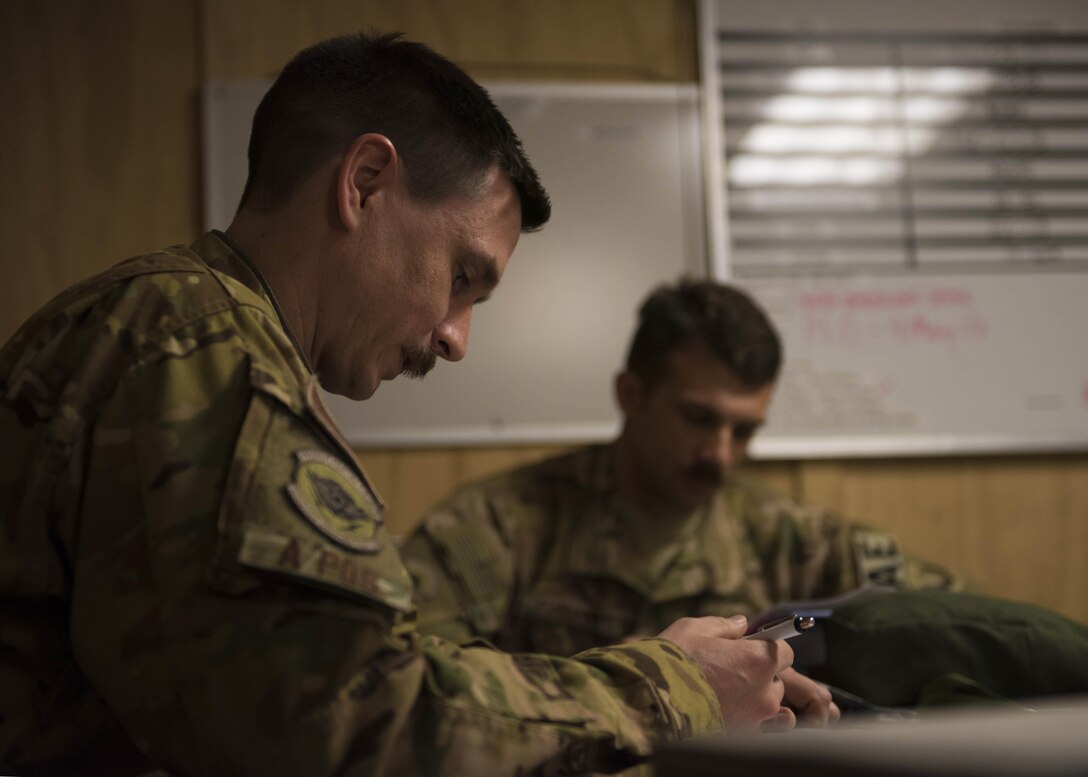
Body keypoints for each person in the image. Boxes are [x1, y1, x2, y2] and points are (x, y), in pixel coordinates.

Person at [0, 32, 828, 777]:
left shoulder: (166, 322)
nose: (455, 337)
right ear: (364, 183)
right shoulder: (202, 348)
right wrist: (669, 687)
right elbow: (358, 726)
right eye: (462, 277)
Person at [401, 279, 966, 671]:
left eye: (744, 431)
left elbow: (957, 623)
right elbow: (409, 684)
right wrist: (615, 677)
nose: (720, 454)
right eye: (699, 419)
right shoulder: (496, 527)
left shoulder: (790, 538)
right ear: (632, 395)